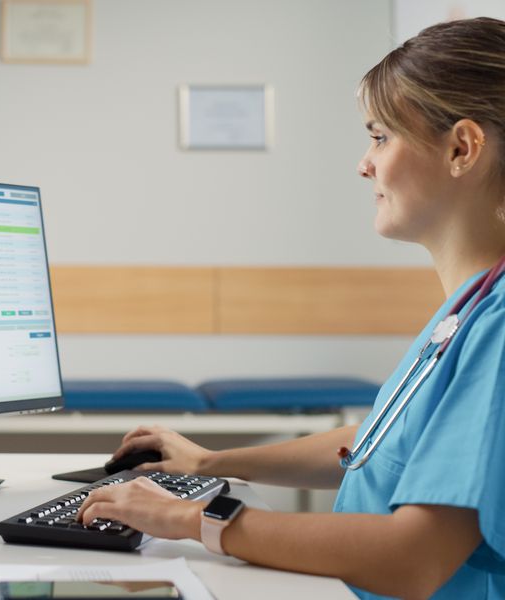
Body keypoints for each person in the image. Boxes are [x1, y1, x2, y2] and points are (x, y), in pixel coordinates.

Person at [77, 17, 505, 599]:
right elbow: (385, 441)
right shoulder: (471, 306)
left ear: (462, 148)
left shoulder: (498, 327)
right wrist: (212, 464)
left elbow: (414, 556)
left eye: (380, 137)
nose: (365, 163)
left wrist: (194, 520)